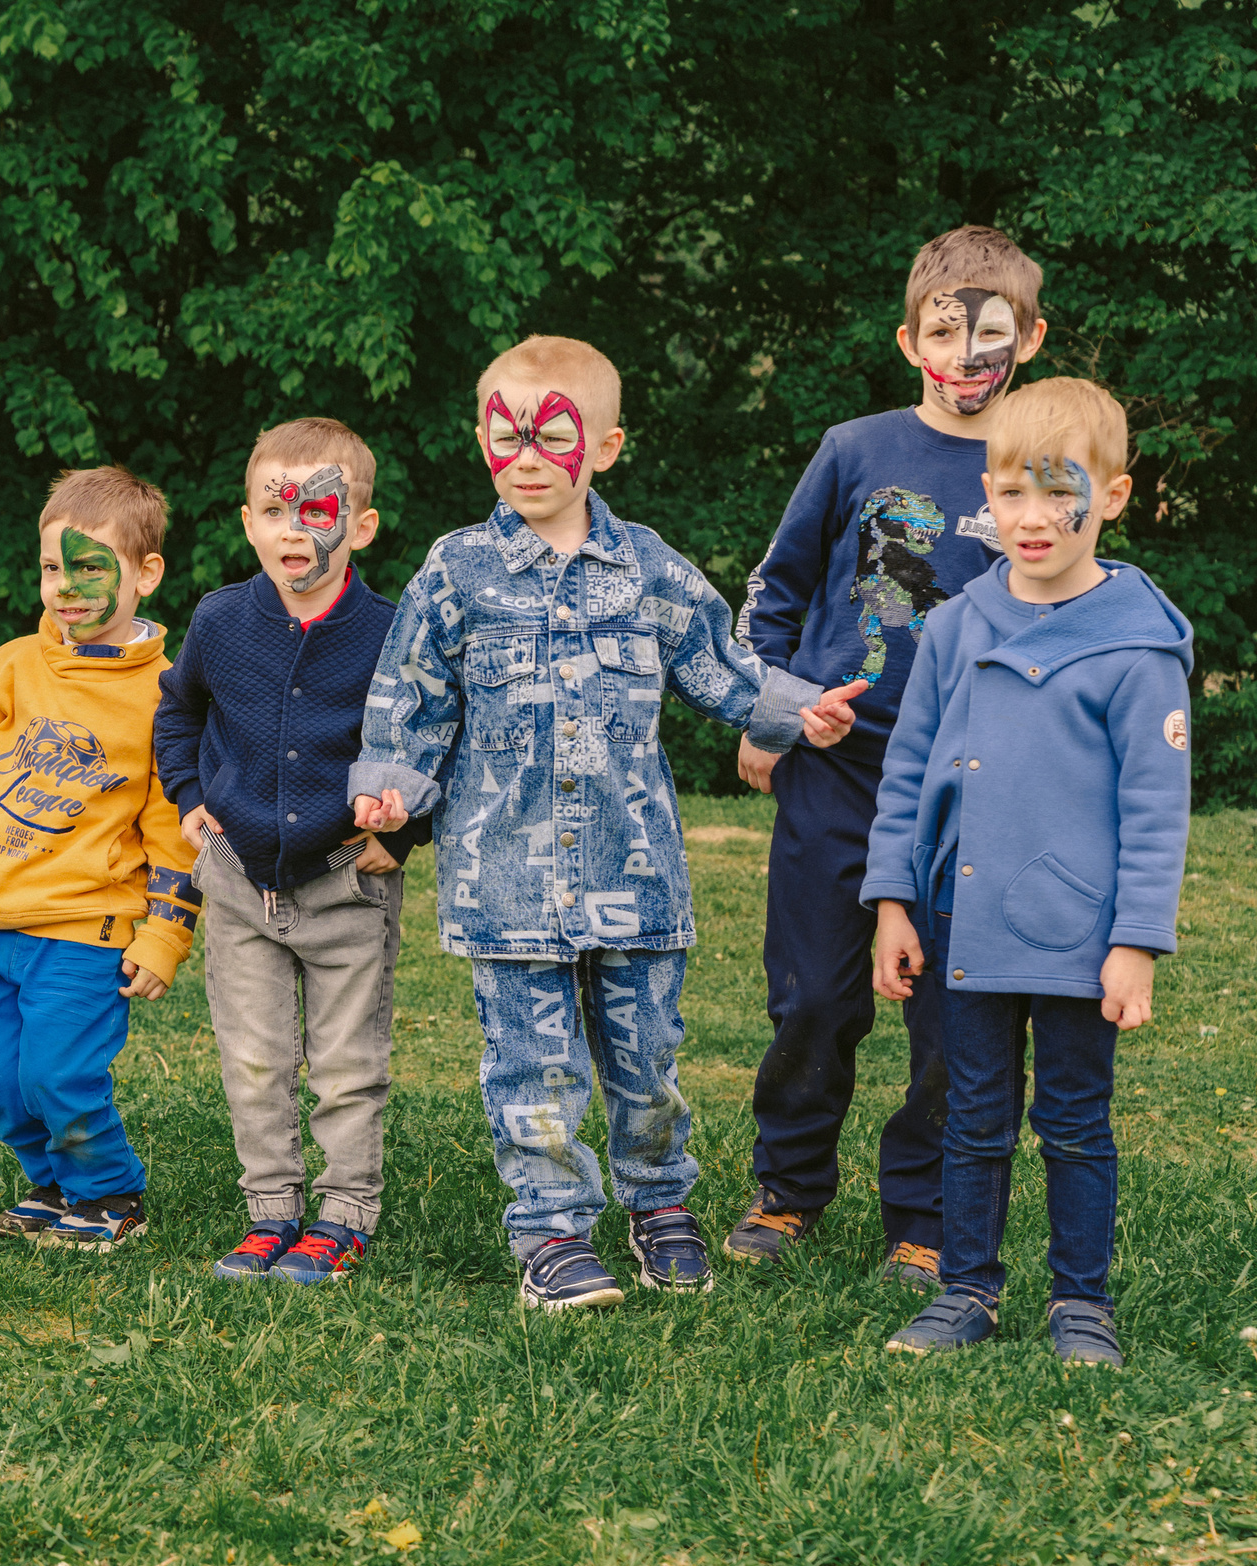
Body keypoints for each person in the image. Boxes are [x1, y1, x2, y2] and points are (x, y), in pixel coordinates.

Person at [352, 337, 869, 1310]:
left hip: (634, 878)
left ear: (605, 445)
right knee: (533, 1071)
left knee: (646, 1068)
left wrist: (798, 712)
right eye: (507, 436)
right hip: (504, 886)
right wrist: (389, 784)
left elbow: (721, 665)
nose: (530, 455)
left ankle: (658, 1203)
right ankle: (550, 1231)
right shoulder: (455, 572)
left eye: (554, 436)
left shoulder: (646, 569)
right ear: (481, 440)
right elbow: (407, 693)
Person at [726, 227, 1050, 1286]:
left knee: (955, 1012)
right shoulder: (855, 449)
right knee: (815, 996)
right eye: (945, 334)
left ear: (1029, 340)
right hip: (839, 765)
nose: (967, 356)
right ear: (909, 340)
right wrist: (767, 716)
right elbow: (773, 595)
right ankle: (786, 1188)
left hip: (975, 780)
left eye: (990, 336)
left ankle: (924, 1211)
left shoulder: (1040, 469)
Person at [865, 379, 1191, 1370]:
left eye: (1062, 492)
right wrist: (892, 902)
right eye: (1012, 494)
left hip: (1080, 937)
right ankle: (967, 1290)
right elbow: (908, 768)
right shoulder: (958, 625)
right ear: (987, 497)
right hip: (964, 923)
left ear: (1115, 494)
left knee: (1074, 1126)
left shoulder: (1138, 649)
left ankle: (1079, 1303)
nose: (1035, 518)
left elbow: (1153, 812)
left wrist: (1134, 943)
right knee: (972, 1117)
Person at [153, 418, 431, 1285]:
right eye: (275, 508)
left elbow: (432, 745)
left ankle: (344, 1213)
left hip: (345, 880)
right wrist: (193, 806)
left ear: (362, 523)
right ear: (247, 521)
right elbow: (178, 714)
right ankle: (271, 1211)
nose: (294, 527)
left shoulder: (395, 631)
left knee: (348, 1062)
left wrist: (405, 831)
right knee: (255, 1058)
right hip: (237, 880)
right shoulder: (221, 621)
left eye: (317, 507)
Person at [0, 467, 200, 1250]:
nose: (66, 586)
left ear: (146, 573)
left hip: (88, 927)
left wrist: (166, 933)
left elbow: (173, 827)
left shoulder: (167, 692)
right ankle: (53, 1183)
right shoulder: (10, 667)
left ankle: (109, 1193)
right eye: (51, 567)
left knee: (58, 1075)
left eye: (89, 566)